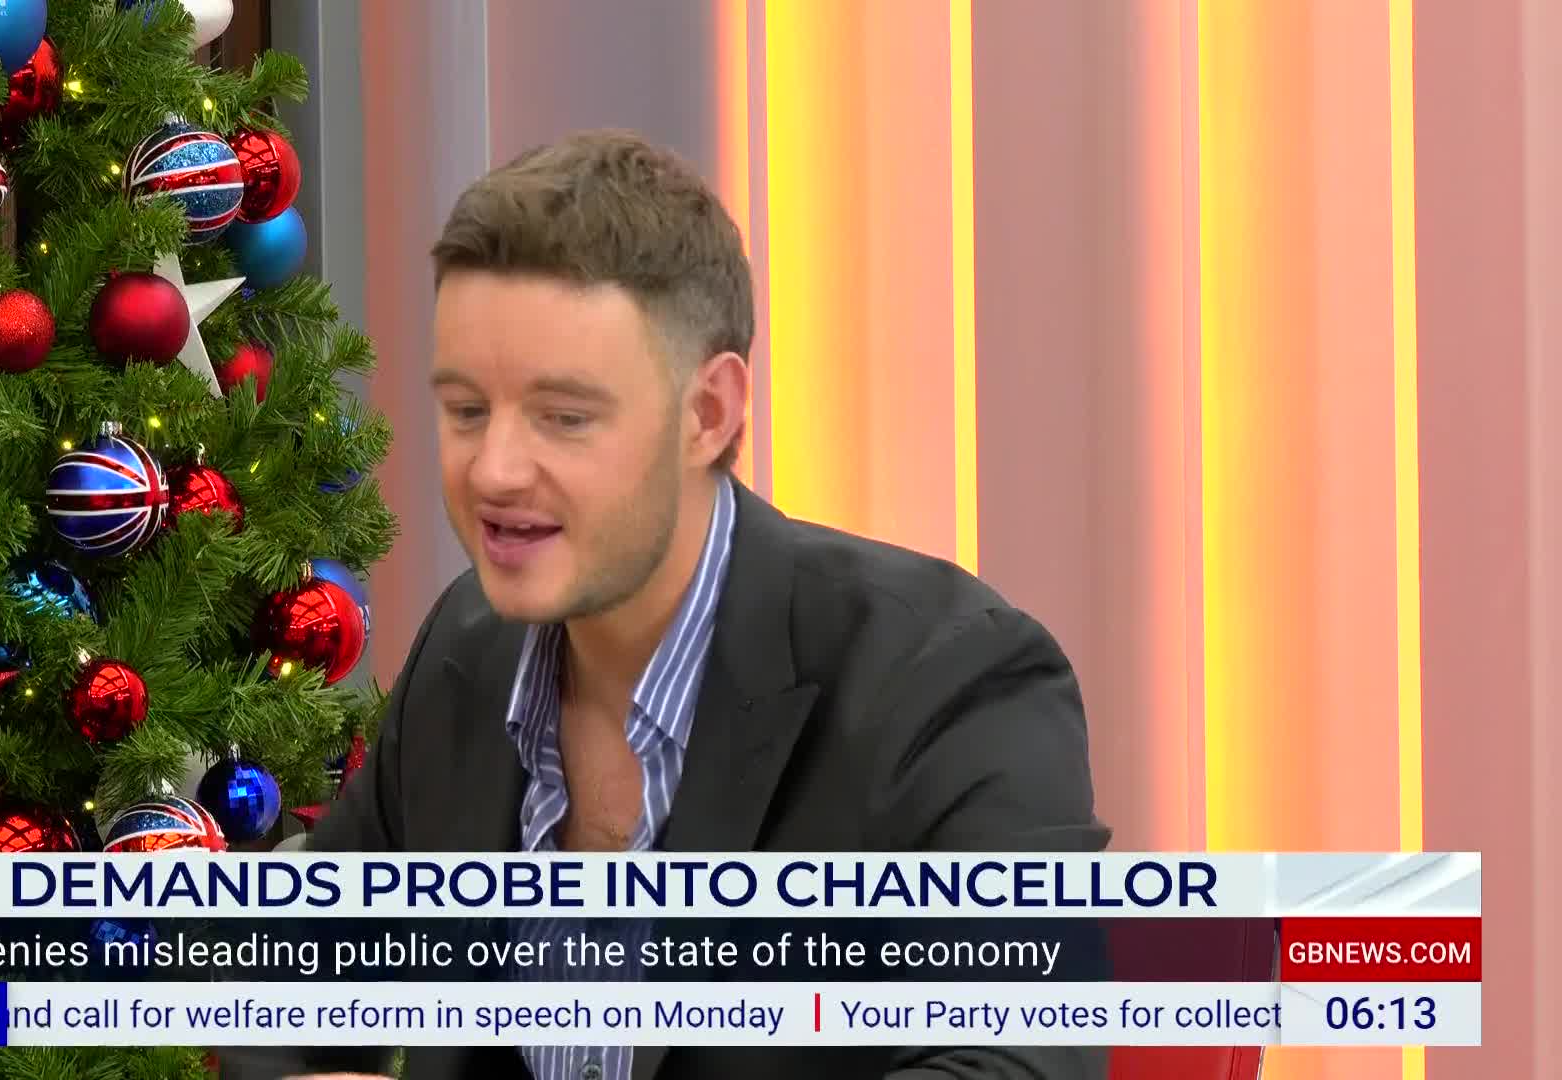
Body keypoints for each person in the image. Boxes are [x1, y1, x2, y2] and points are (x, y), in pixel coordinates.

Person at [219, 129, 1110, 1080]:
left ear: (709, 415)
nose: (495, 470)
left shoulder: (949, 677)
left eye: (565, 416)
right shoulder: (463, 654)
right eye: (467, 410)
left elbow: (1021, 1061)